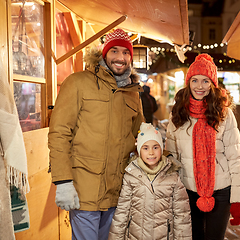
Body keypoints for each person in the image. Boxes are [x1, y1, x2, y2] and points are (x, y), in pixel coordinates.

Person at [48, 28, 144, 240]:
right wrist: (63, 181)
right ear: (104, 54)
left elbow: (141, 135)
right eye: (114, 51)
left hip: (118, 190)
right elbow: (59, 133)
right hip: (85, 188)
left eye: (126, 53)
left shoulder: (132, 93)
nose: (121, 58)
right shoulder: (78, 82)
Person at [165, 54, 240, 240]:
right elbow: (170, 157)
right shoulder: (178, 114)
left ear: (212, 84)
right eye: (195, 80)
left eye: (205, 81)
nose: (199, 86)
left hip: (220, 191)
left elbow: (235, 157)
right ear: (188, 82)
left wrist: (238, 199)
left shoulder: (224, 114)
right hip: (187, 191)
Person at [108, 122, 192, 240]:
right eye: (146, 148)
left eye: (155, 147)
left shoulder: (172, 177)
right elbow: (122, 212)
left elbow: (182, 216)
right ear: (139, 150)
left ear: (162, 149)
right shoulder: (131, 176)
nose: (151, 152)